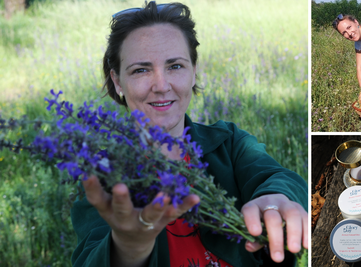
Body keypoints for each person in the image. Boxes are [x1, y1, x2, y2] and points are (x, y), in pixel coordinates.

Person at [70, 2, 308, 267]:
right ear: (117, 81)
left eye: (175, 66)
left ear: (194, 71)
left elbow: (278, 177)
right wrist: (128, 246)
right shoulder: (101, 173)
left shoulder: (228, 142)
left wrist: (276, 199)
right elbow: (89, 257)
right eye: (141, 70)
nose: (161, 86)